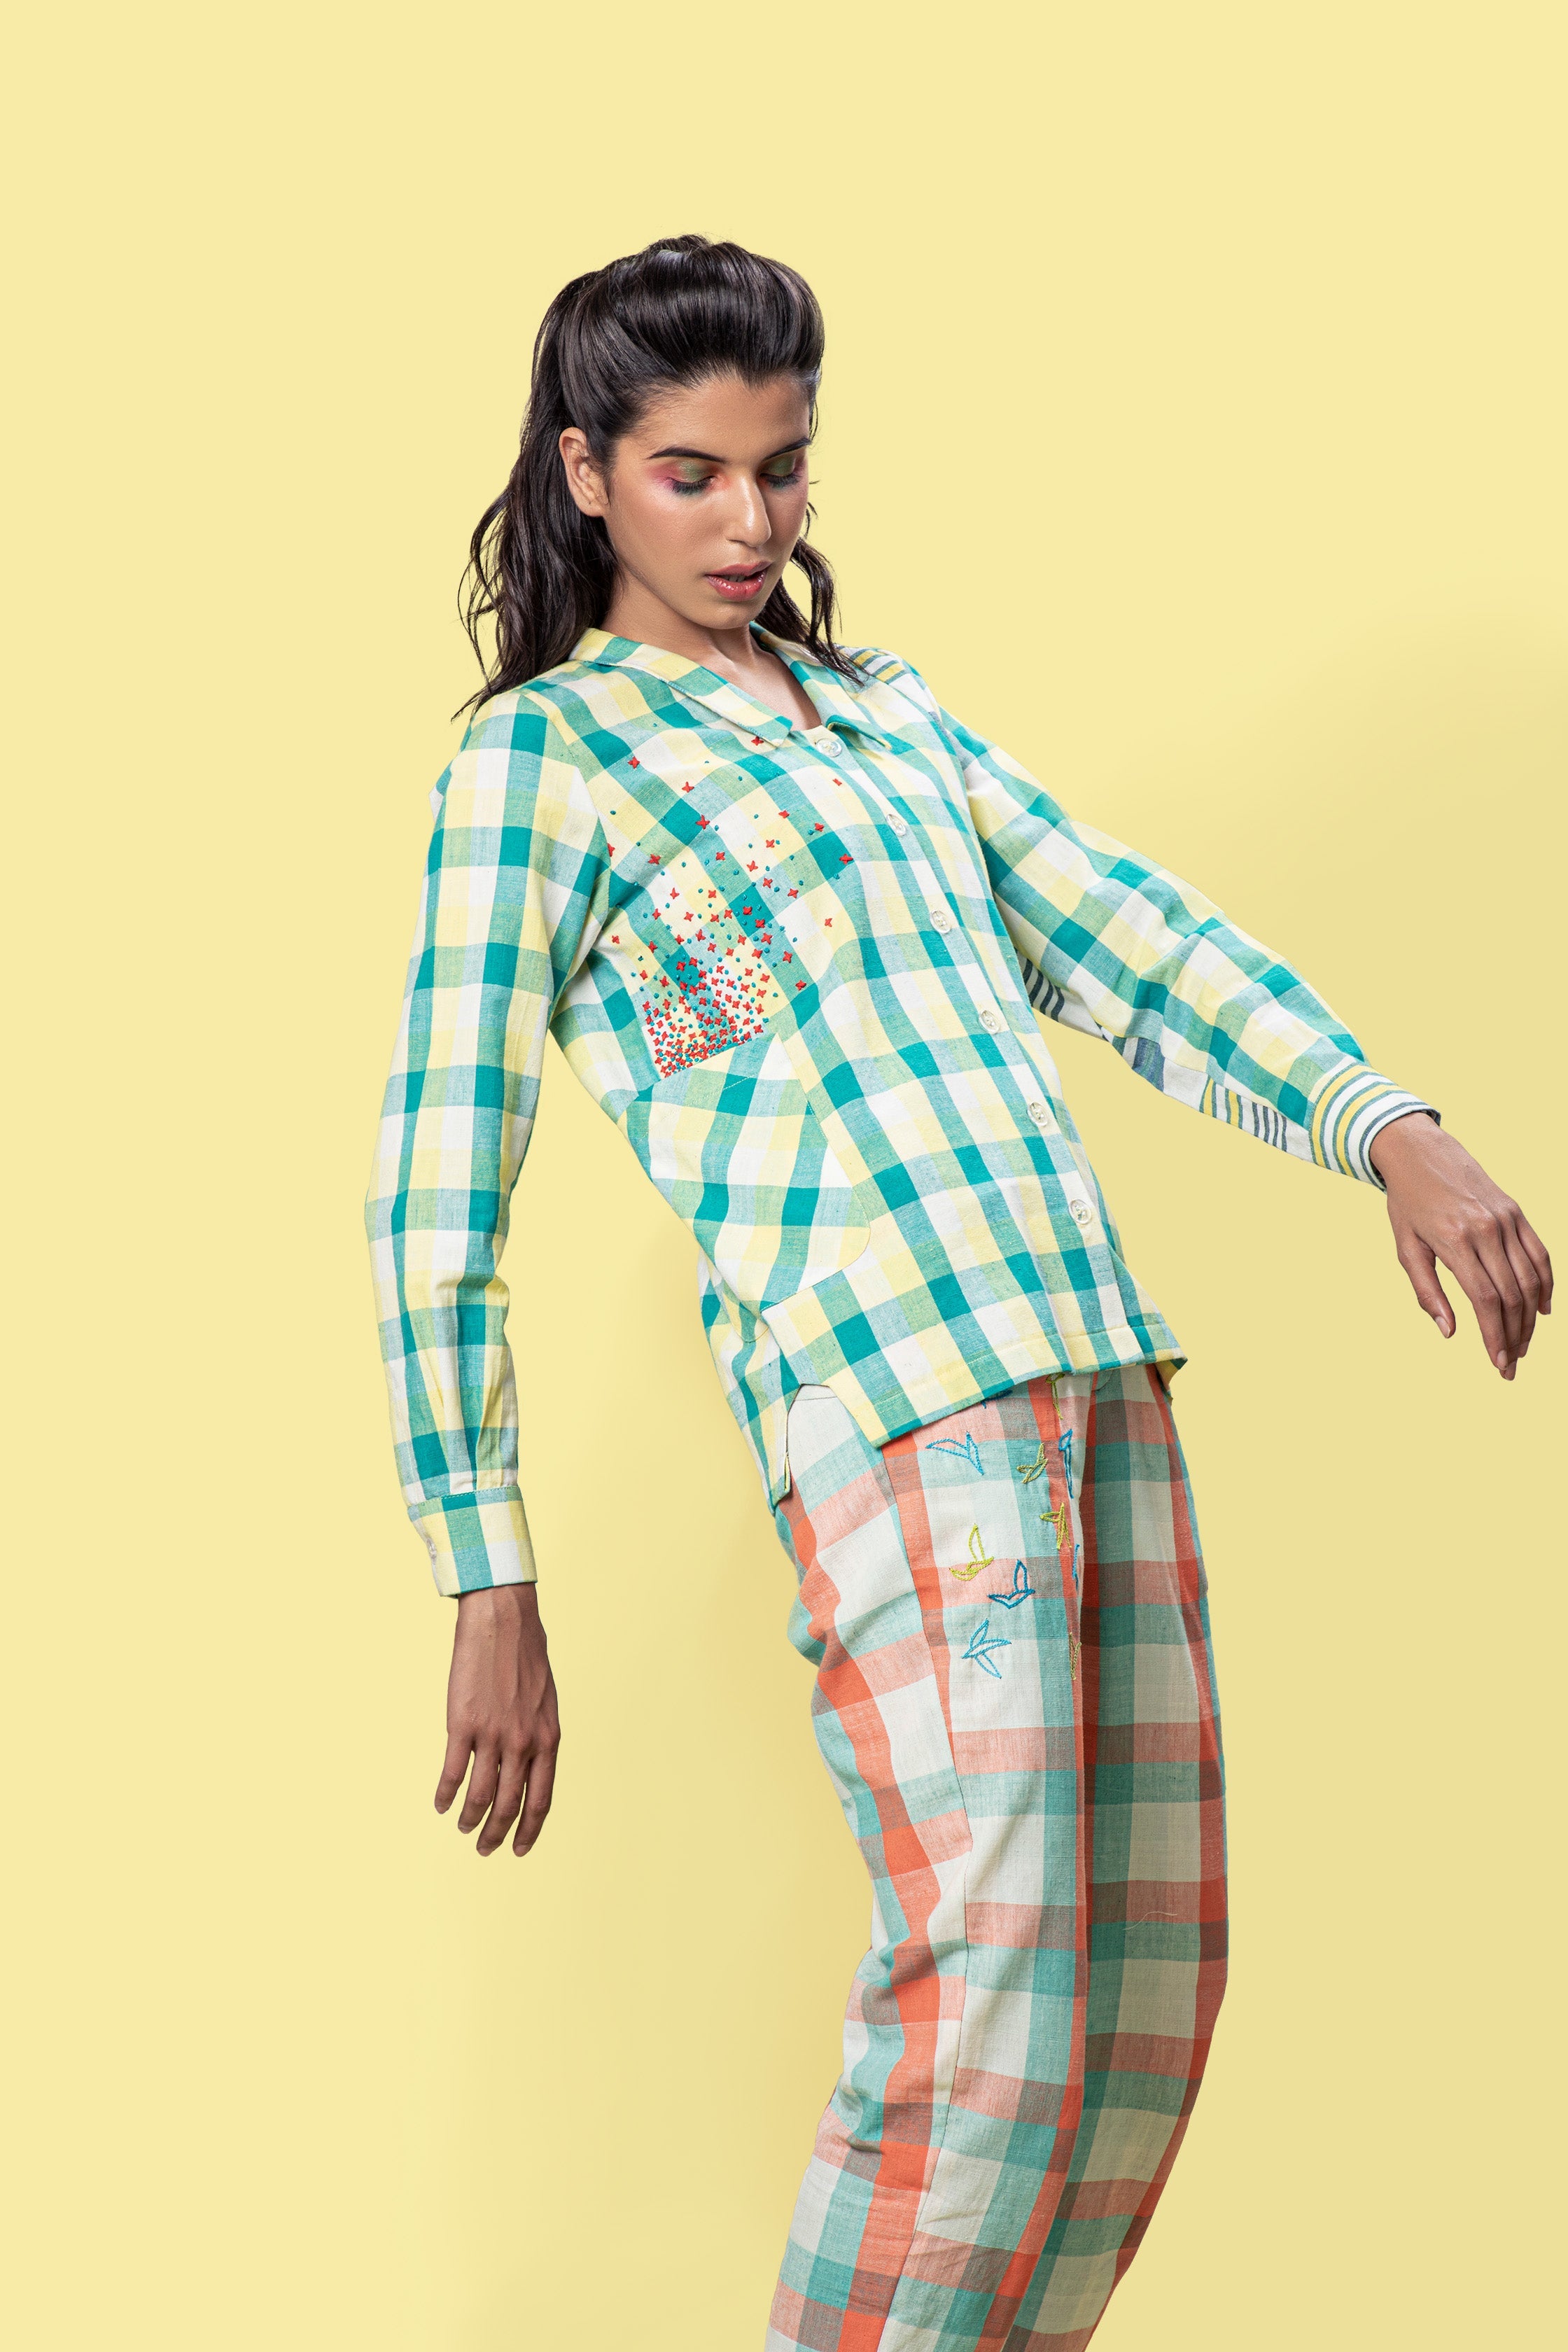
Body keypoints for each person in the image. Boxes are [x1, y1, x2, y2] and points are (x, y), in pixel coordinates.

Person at [364, 235, 1550, 2348]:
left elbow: (1121, 928)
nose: (749, 521)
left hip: (1091, 1360)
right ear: (584, 473)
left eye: (783, 468)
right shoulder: (543, 767)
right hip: (894, 1399)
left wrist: (1384, 1122)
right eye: (692, 474)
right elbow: (436, 1188)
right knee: (994, 1987)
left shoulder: (883, 717)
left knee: (1144, 1992)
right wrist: (488, 1566)